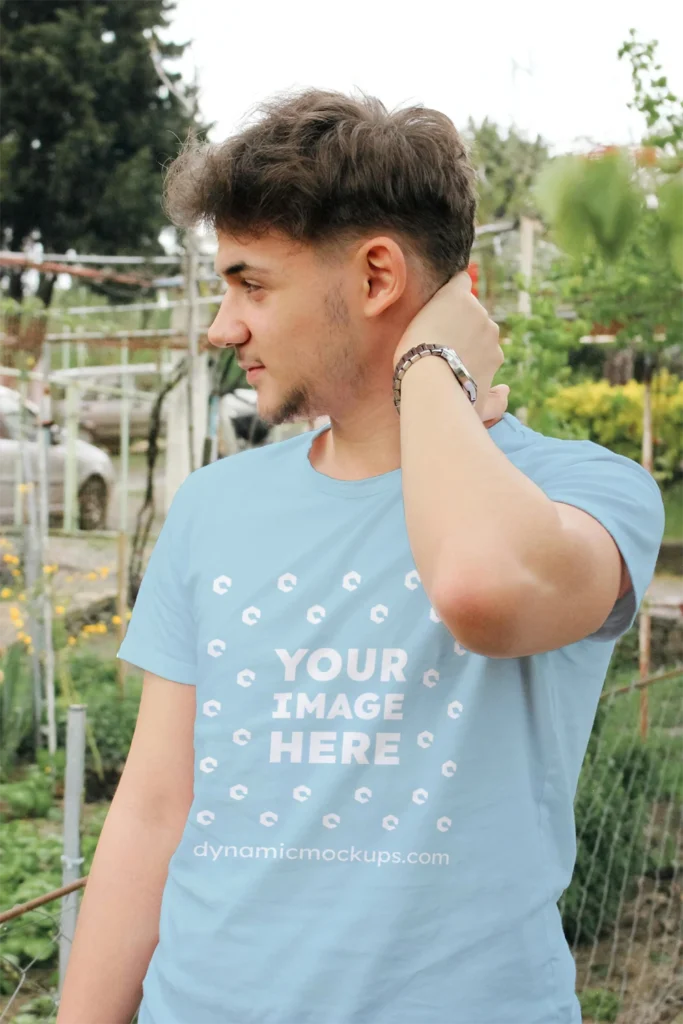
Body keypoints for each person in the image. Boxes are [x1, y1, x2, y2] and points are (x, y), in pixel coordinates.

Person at [56, 90, 665, 1024]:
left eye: (252, 284)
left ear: (377, 276)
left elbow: (477, 587)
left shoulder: (586, 491)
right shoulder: (216, 506)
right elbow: (151, 810)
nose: (224, 328)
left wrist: (428, 371)